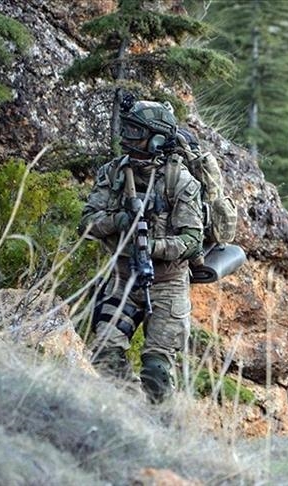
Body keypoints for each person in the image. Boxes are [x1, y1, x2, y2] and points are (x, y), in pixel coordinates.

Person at [78, 97, 203, 403]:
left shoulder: (180, 181)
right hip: (122, 279)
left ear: (157, 138)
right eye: (126, 129)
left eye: (136, 132)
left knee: (156, 373)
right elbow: (87, 224)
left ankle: (160, 422)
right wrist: (119, 221)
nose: (126, 138)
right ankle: (127, 408)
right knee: (105, 355)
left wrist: (153, 247)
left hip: (168, 285)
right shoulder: (113, 173)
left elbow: (192, 240)